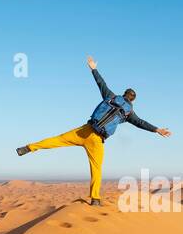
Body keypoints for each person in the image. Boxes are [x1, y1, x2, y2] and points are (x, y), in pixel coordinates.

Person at [16, 56, 172, 206]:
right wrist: (157, 129)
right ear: (132, 100)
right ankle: (95, 199)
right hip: (97, 140)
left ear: (123, 94)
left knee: (57, 140)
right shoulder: (129, 112)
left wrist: (93, 68)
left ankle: (28, 148)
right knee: (96, 169)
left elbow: (100, 82)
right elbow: (140, 123)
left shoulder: (110, 96)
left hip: (85, 130)